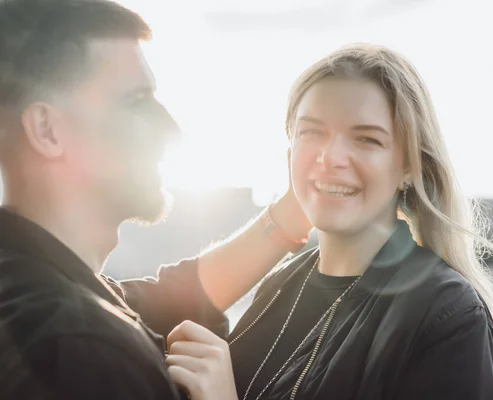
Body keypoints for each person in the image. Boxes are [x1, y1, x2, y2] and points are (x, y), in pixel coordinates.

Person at [161, 44, 493, 399]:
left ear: (409, 166)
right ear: (290, 152)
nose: (331, 158)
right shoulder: (280, 285)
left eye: (366, 139)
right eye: (311, 132)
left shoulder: (447, 314)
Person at [0, 0, 310, 399]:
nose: (171, 129)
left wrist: (295, 212)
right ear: (47, 130)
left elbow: (171, 297)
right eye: (137, 101)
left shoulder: (31, 279)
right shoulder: (85, 355)